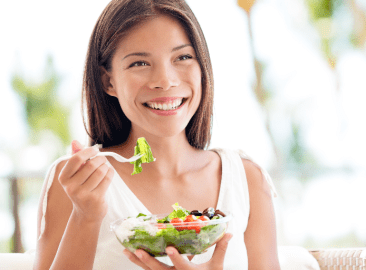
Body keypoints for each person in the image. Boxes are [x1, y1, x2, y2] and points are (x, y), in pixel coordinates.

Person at [32, 0, 281, 269]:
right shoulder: (77, 184)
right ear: (108, 81)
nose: (165, 80)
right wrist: (85, 215)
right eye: (139, 63)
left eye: (183, 57)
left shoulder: (246, 180)